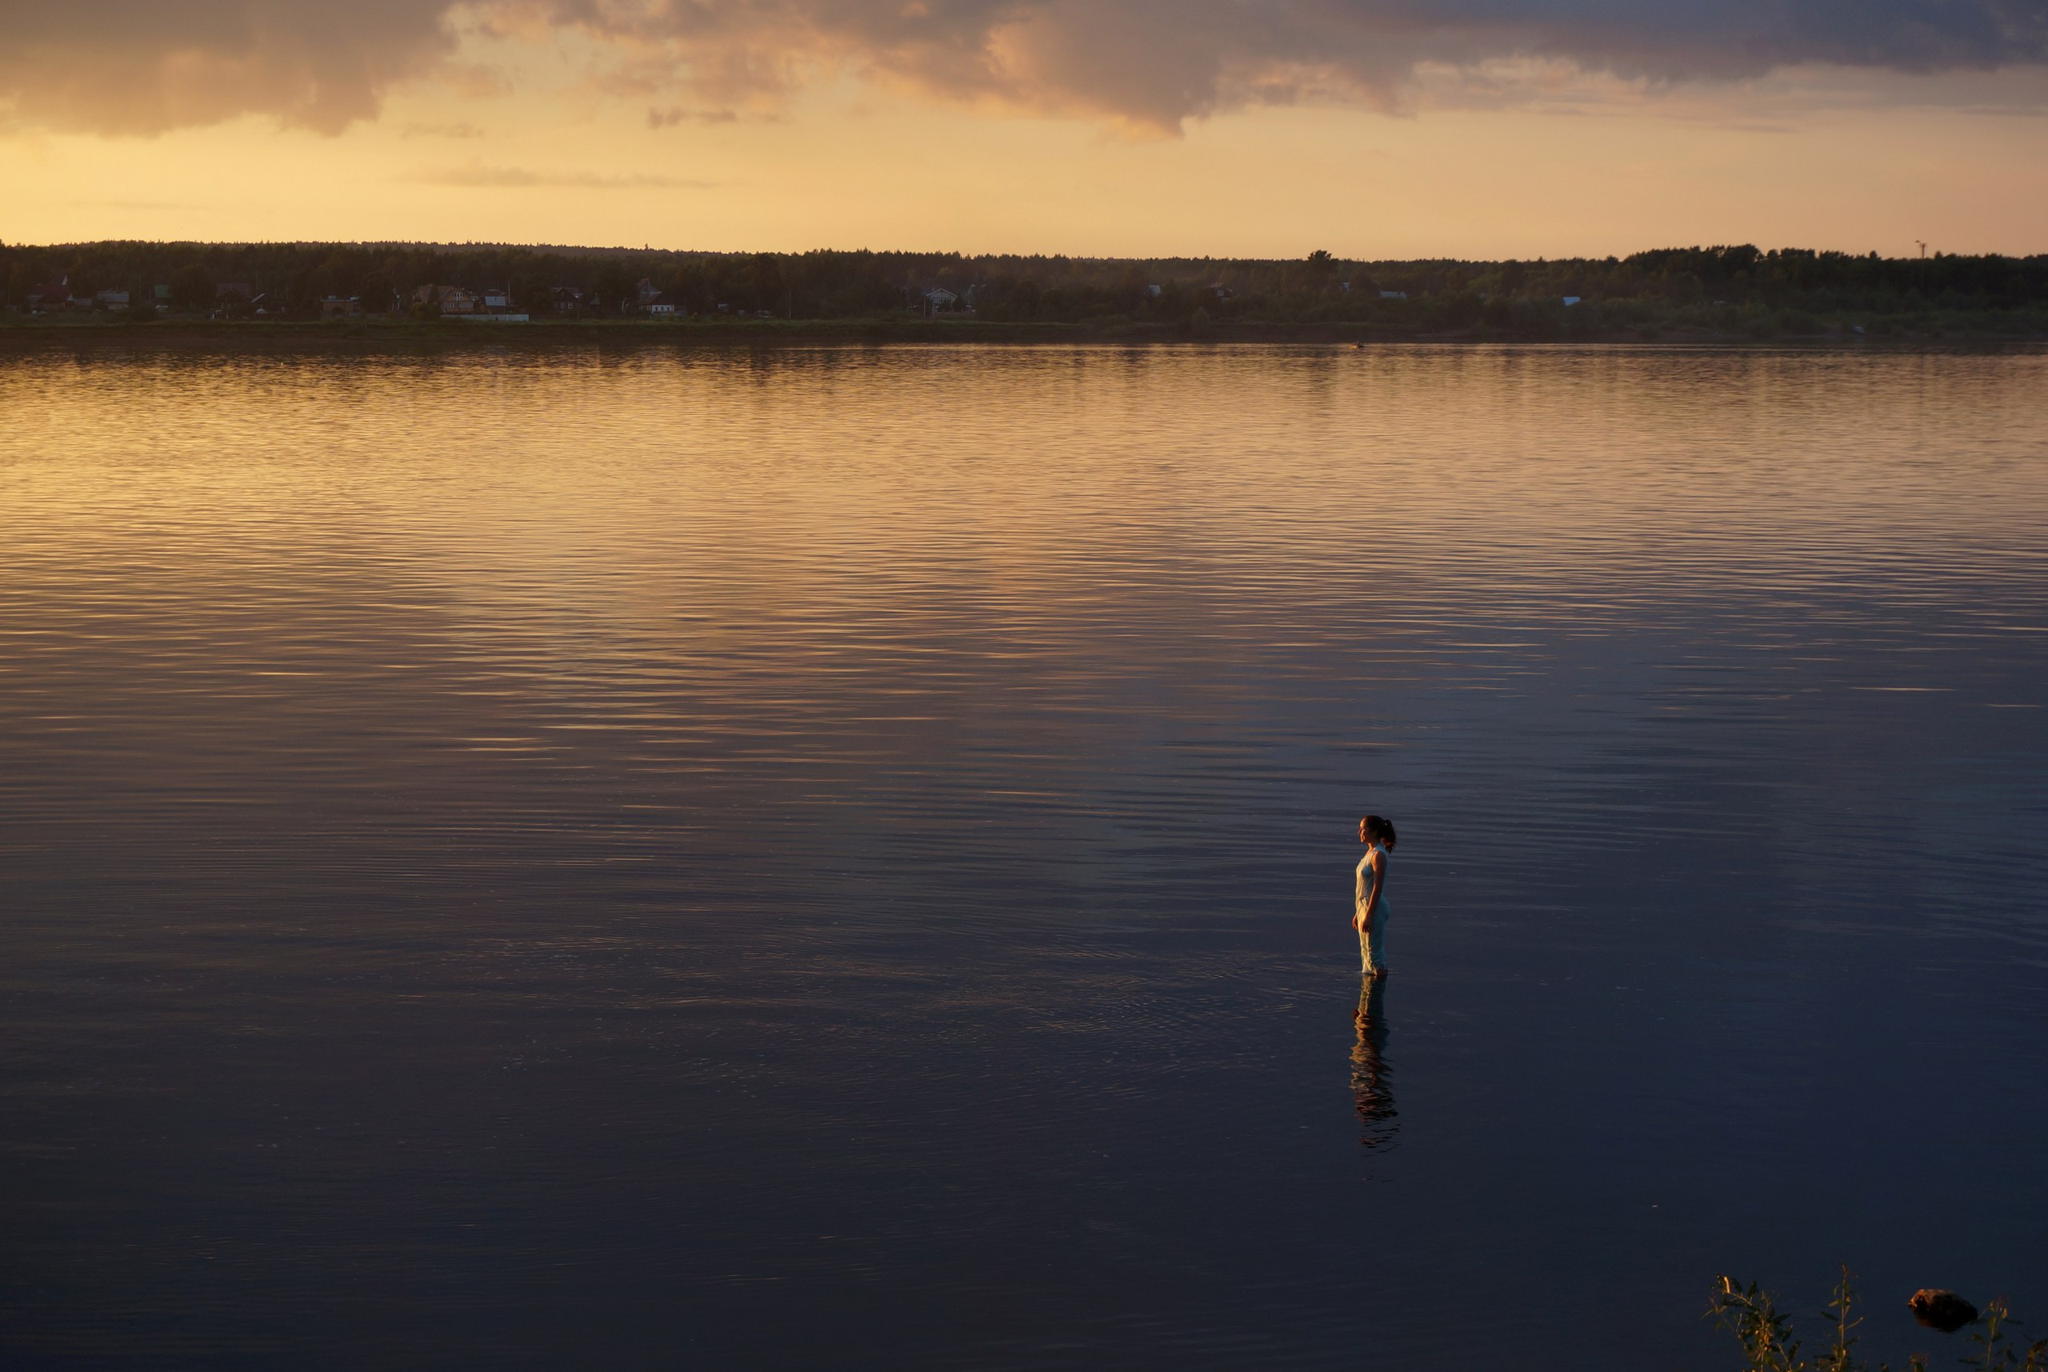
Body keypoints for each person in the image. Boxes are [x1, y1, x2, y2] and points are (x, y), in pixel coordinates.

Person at [1352, 814, 1397, 977]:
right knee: (1366, 954)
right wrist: (1358, 913)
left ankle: (1377, 993)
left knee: (1375, 955)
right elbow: (1363, 888)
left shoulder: (1379, 855)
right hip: (1364, 907)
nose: (1360, 832)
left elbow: (1377, 887)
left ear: (1375, 832)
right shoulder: (1368, 853)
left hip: (1374, 908)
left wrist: (1369, 914)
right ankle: (1367, 999)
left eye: (1364, 829)